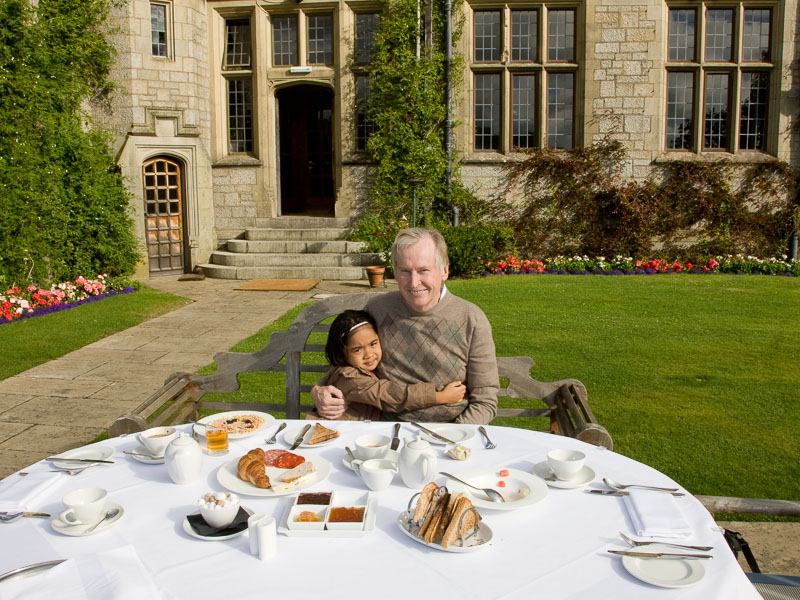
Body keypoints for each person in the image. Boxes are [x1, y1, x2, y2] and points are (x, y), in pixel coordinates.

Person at [311, 227, 499, 424]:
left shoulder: (471, 318)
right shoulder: (378, 309)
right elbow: (350, 364)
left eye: (423, 270)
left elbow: (485, 401)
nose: (414, 282)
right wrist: (319, 391)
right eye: (405, 271)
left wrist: (453, 437)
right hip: (385, 430)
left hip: (450, 430)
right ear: (395, 272)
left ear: (444, 271)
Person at [306, 309, 466, 421]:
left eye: (373, 344)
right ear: (342, 353)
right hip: (335, 435)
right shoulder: (350, 378)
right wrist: (440, 397)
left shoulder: (366, 369)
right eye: (357, 349)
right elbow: (390, 395)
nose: (368, 354)